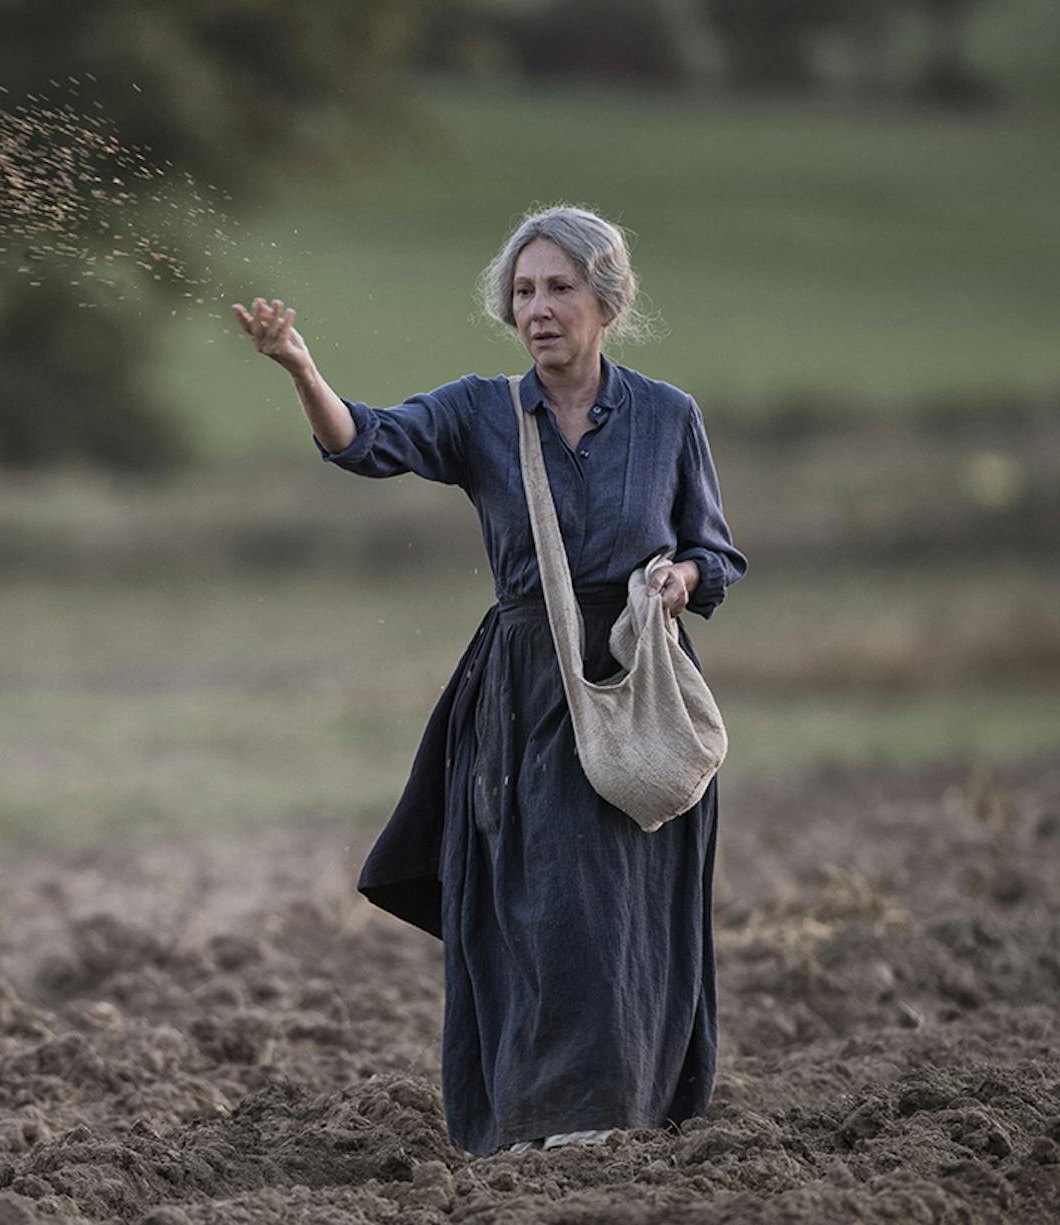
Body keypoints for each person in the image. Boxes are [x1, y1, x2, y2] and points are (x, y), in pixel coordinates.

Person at [232, 206, 745, 1155]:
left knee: (628, 912)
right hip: (521, 698)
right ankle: (539, 1123)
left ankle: (632, 1117)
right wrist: (304, 371)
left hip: (639, 691)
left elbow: (718, 554)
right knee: (542, 909)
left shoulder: (670, 416)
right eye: (523, 291)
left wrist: (678, 577)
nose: (539, 309)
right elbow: (366, 442)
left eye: (559, 288)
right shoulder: (480, 411)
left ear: (607, 299)